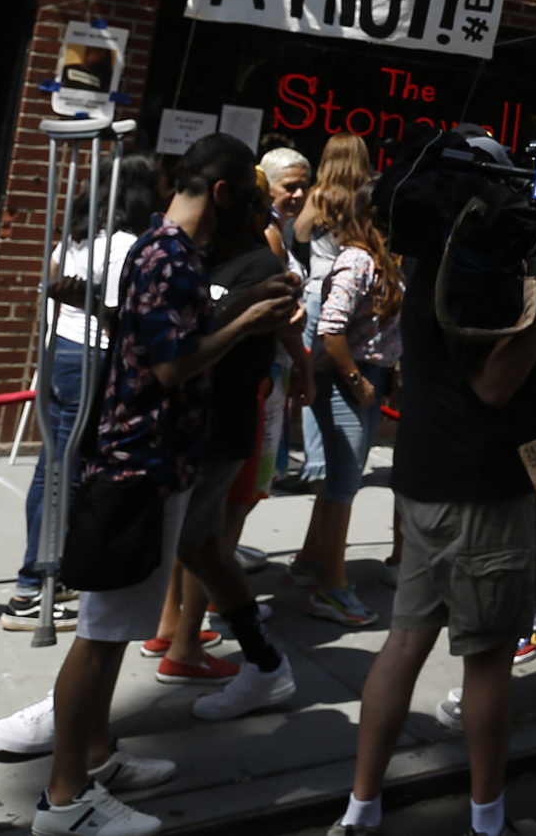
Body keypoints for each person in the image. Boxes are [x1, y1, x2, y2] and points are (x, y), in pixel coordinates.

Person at [0, 134, 297, 836]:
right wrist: (247, 317)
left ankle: (95, 757)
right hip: (139, 466)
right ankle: (65, 800)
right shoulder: (171, 256)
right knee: (100, 635)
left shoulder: (153, 249)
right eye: (246, 199)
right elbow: (169, 365)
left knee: (114, 630)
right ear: (221, 192)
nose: (250, 216)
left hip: (151, 462)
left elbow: (139, 337)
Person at [332, 211, 536, 836]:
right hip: (479, 492)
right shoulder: (470, 272)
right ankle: (488, 824)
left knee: (404, 641)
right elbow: (494, 384)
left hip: (428, 483)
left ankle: (361, 810)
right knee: (487, 661)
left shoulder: (434, 261)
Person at [150, 166, 311, 699]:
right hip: (194, 424)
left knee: (202, 538)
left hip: (223, 419)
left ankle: (187, 638)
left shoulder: (239, 259)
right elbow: (179, 354)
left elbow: (255, 325)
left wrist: (298, 361)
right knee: (205, 541)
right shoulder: (184, 254)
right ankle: (183, 640)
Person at [5, 153, 160, 629]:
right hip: (90, 357)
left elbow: (54, 280)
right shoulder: (123, 245)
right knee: (66, 474)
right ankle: (33, 588)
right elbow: (116, 313)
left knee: (51, 470)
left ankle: (46, 572)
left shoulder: (79, 233)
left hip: (61, 353)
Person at [291, 187, 404, 628]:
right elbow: (330, 330)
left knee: (343, 480)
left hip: (367, 377)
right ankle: (331, 589)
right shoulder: (357, 260)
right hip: (346, 377)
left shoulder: (383, 259)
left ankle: (310, 563)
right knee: (343, 484)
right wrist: (356, 382)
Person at [284, 134, 372, 492]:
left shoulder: (320, 196)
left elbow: (300, 234)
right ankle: (348, 460)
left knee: (314, 378)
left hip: (321, 289)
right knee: (348, 377)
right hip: (358, 290)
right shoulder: (367, 196)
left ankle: (318, 465)